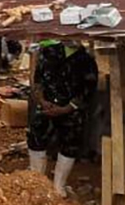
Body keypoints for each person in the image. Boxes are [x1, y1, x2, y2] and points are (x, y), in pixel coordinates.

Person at [29, 39, 99, 196]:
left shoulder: (86, 60)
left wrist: (66, 108)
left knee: (70, 143)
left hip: (71, 111)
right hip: (45, 107)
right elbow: (38, 80)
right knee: (36, 137)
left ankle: (58, 186)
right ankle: (36, 180)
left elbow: (87, 90)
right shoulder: (48, 52)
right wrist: (42, 101)